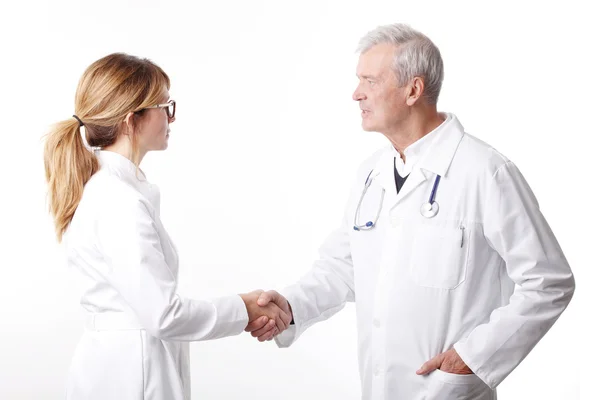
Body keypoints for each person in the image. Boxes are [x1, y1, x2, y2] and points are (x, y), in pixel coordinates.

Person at [246, 23, 575, 399]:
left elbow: (548, 281)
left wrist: (473, 357)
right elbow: (343, 267)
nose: (356, 94)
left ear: (413, 90)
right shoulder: (371, 173)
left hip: (447, 390)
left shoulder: (484, 171)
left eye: (369, 81)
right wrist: (290, 306)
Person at [43, 53, 290, 400]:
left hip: (123, 367)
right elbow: (164, 315)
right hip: (132, 375)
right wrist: (244, 308)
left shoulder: (112, 190)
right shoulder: (118, 200)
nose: (171, 117)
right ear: (133, 119)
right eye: (165, 105)